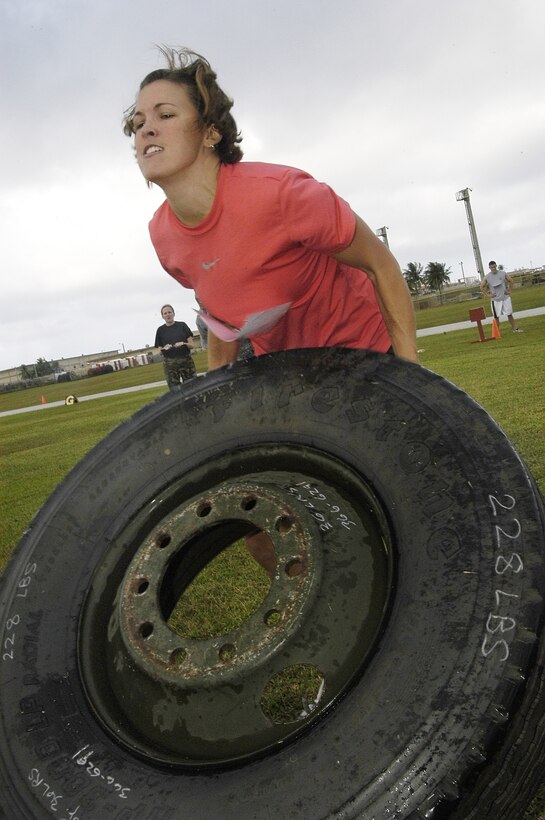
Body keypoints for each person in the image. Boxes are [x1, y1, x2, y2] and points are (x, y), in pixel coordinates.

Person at [125, 47, 418, 574]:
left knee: (400, 506)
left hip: (363, 358)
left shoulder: (282, 195)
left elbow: (382, 265)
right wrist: (220, 400)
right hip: (285, 379)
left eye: (165, 115)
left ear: (211, 131)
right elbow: (219, 315)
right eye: (137, 121)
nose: (146, 129)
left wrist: (410, 371)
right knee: (263, 533)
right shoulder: (164, 236)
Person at [154, 304, 196, 390]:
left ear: (173, 313)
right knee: (174, 390)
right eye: (165, 313)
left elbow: (192, 345)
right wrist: (164, 348)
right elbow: (159, 350)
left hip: (186, 361)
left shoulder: (182, 325)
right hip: (170, 364)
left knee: (191, 387)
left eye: (169, 312)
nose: (168, 314)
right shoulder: (160, 330)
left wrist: (184, 343)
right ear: (162, 316)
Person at [480, 261, 523, 332]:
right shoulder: (487, 277)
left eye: (494, 266)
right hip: (495, 300)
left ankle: (515, 329)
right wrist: (488, 295)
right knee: (496, 317)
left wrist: (509, 290)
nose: (493, 268)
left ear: (496, 266)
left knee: (509, 314)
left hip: (505, 298)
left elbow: (511, 281)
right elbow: (481, 286)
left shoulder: (502, 273)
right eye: (492, 267)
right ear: (489, 268)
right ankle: (496, 333)